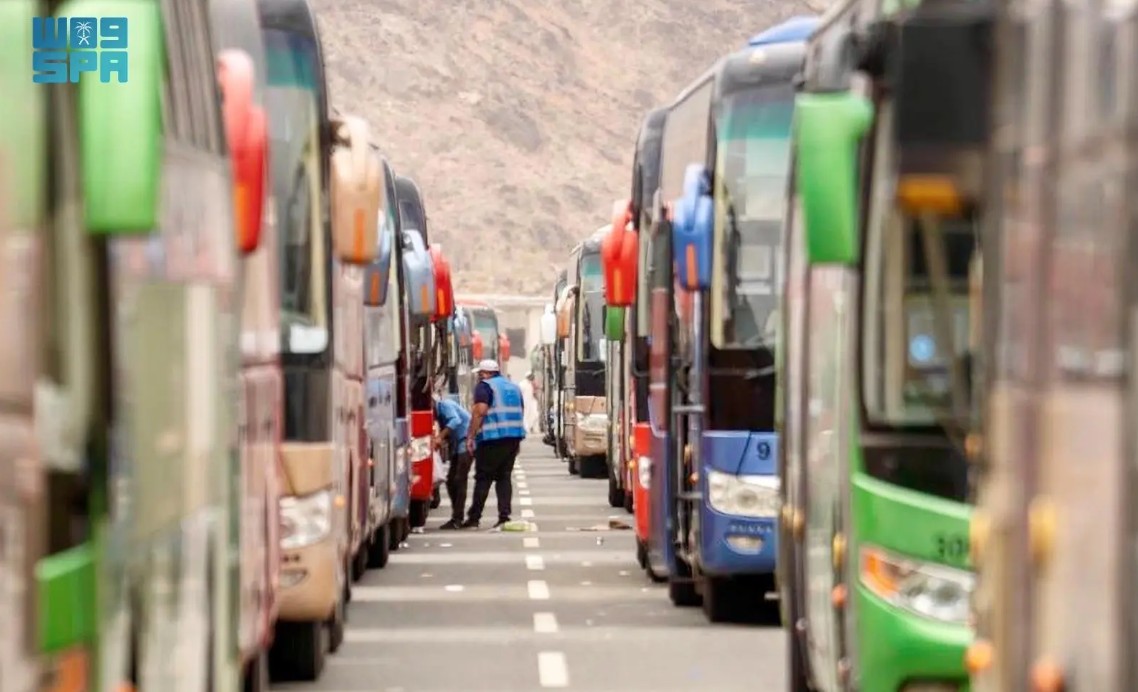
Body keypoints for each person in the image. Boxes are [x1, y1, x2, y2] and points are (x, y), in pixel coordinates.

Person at [462, 359, 527, 529]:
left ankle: (474, 518)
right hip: (513, 437)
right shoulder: (514, 387)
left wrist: (471, 436)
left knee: (483, 477)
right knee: (504, 477)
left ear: (485, 373)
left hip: (492, 438)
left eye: (480, 374)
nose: (479, 377)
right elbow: (521, 411)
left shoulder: (485, 387)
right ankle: (504, 516)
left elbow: (480, 411)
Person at [433, 395, 473, 530]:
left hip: (466, 441)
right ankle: (456, 516)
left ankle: (458, 518)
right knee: (451, 480)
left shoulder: (444, 405)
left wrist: (440, 437)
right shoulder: (440, 415)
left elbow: (455, 420)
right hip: (458, 445)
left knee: (459, 479)